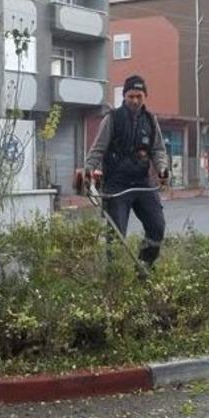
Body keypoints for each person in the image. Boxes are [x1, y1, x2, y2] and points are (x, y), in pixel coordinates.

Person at [85, 75, 169, 274]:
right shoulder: (112, 118)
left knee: (157, 227)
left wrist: (162, 169)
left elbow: (157, 150)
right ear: (124, 96)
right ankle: (114, 280)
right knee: (116, 237)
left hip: (142, 183)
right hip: (117, 185)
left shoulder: (150, 120)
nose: (135, 100)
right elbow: (98, 149)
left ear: (144, 96)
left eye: (139, 96)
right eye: (131, 96)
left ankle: (143, 269)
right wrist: (87, 172)